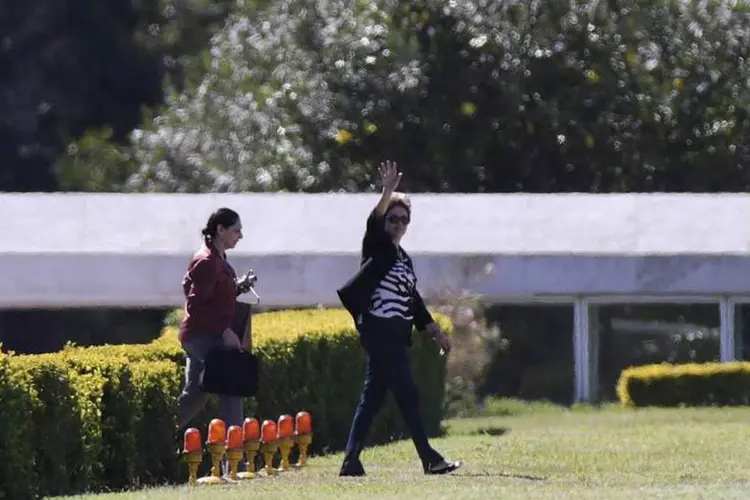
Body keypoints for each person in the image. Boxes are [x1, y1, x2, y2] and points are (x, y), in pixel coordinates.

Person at [336, 161, 463, 477]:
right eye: (393, 219)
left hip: (395, 333)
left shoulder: (402, 258)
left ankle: (350, 461)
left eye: (404, 220)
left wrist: (435, 332)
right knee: (407, 393)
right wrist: (387, 192)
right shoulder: (376, 247)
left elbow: (413, 300)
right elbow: (373, 220)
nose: (398, 224)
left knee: (373, 397)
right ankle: (429, 458)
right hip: (378, 330)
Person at [176, 207, 252, 446]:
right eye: (236, 230)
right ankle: (235, 459)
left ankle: (158, 430)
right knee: (232, 385)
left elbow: (213, 293)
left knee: (195, 396)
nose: (240, 236)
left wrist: (237, 287)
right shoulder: (207, 260)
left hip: (204, 333)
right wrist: (224, 331)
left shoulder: (217, 257)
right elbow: (197, 305)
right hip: (204, 336)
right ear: (220, 230)